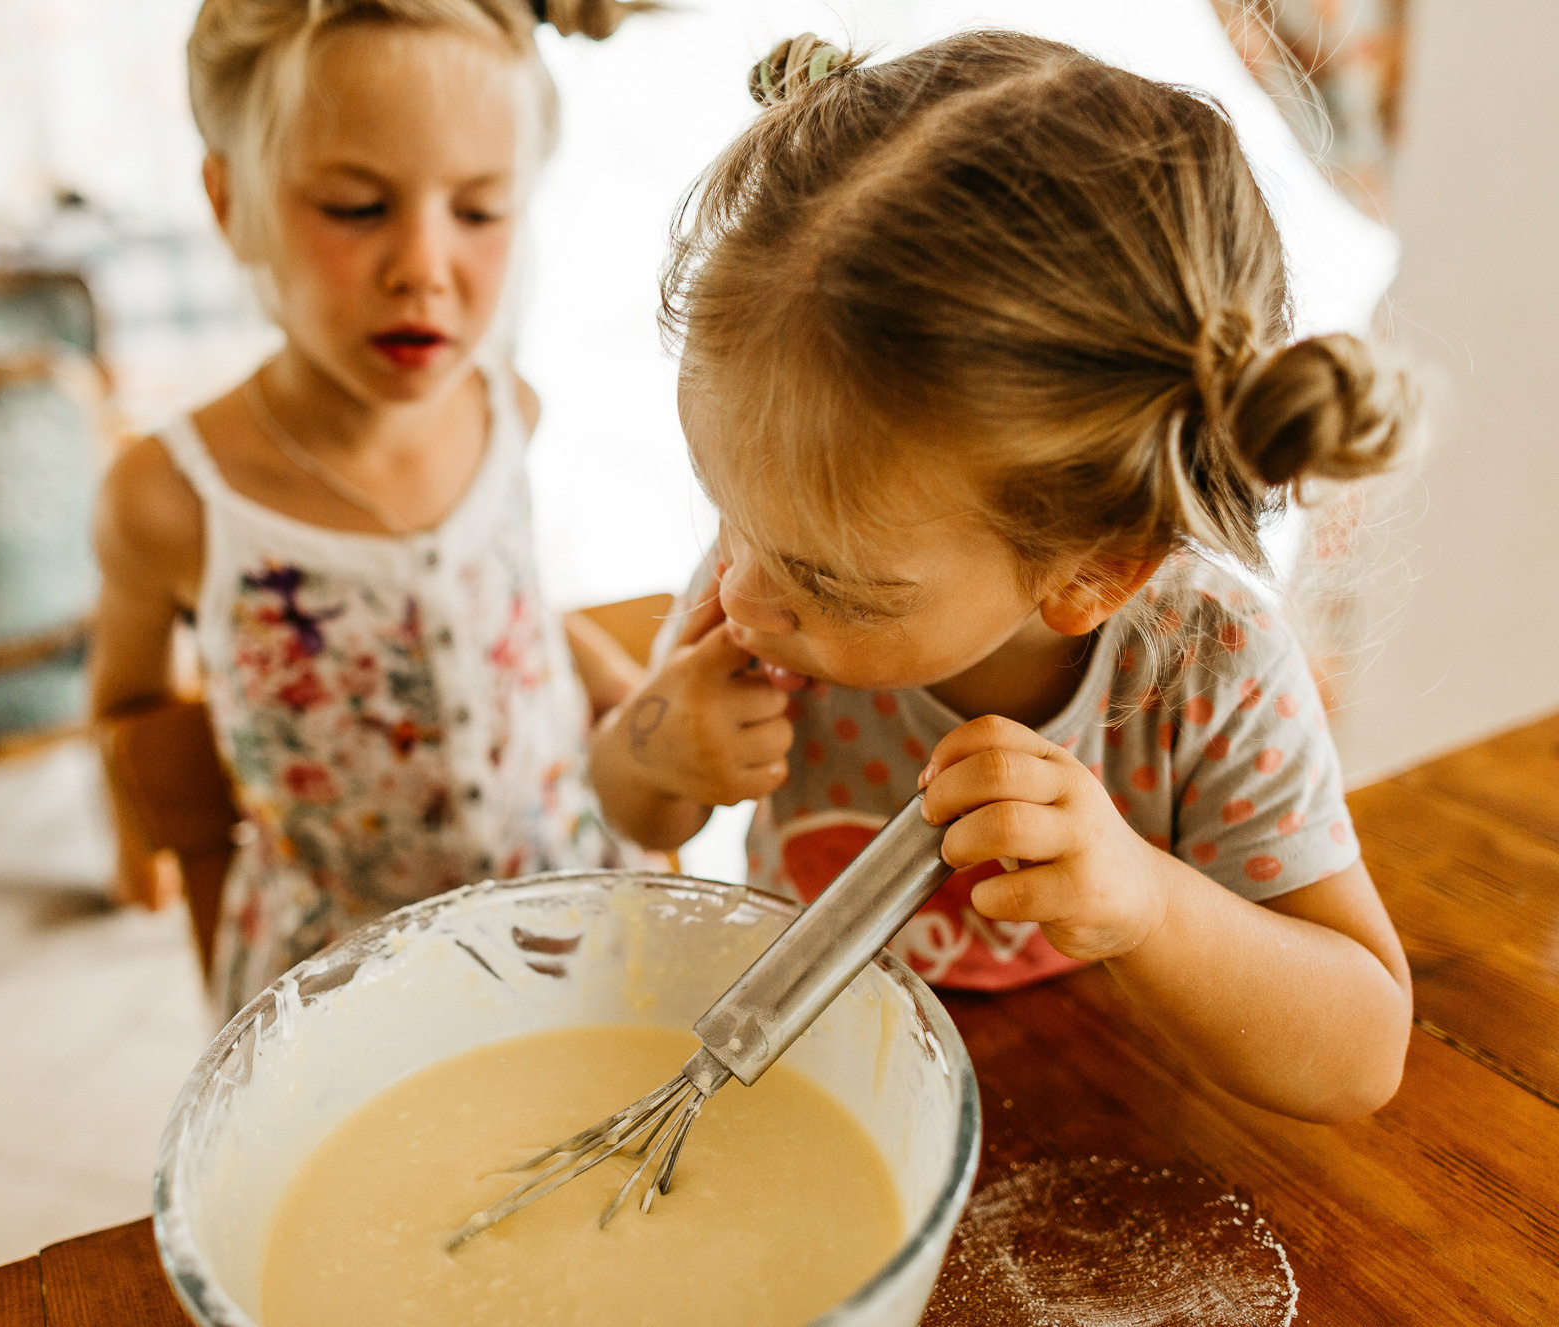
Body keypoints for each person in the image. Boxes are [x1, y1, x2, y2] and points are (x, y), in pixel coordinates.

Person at [591, 31, 1417, 1122]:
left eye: (828, 584)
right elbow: (625, 796)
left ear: (1092, 571)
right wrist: (659, 742)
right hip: (803, 1071)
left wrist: (1144, 905)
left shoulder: (1207, 674)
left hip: (1087, 1096)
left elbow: (1360, 1053)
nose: (737, 593)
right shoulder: (772, 573)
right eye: (725, 516)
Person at [94, 0, 648, 1016]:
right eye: (354, 207)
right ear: (229, 202)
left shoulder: (506, 403)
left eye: (479, 210)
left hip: (574, 915)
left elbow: (515, 606)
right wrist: (148, 847)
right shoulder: (169, 497)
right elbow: (130, 718)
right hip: (347, 977)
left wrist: (625, 701)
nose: (423, 267)